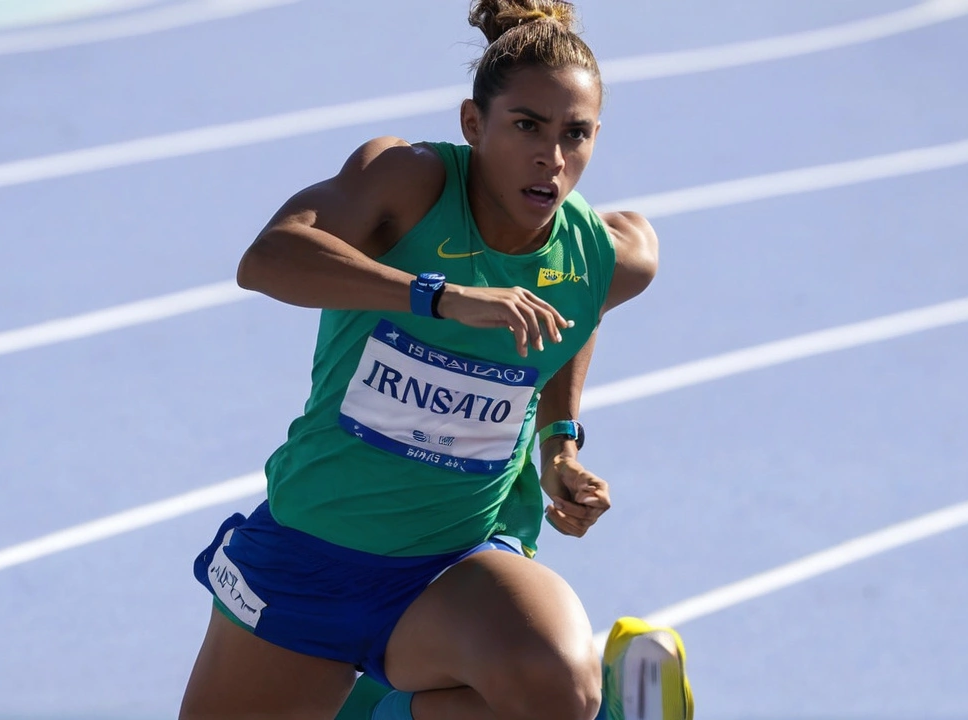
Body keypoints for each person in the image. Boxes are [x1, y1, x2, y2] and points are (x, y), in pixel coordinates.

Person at [180, 2, 692, 719]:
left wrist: (561, 443)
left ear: (596, 137)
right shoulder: (407, 183)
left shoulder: (610, 255)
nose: (552, 157)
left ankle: (607, 710)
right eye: (527, 127)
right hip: (315, 549)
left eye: (575, 134)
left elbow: (580, 313)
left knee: (557, 686)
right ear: (473, 124)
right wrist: (438, 296)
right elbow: (268, 259)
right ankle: (382, 711)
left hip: (451, 566)